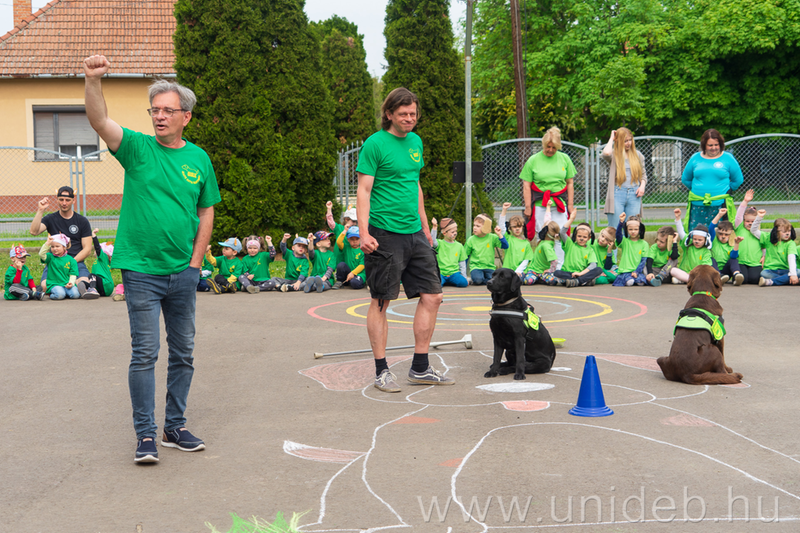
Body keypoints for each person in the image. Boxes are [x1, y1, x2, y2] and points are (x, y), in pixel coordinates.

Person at [84, 54, 220, 463]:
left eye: (167, 111)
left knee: (184, 353)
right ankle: (145, 435)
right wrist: (92, 80)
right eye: (154, 110)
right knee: (145, 353)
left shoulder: (199, 159)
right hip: (141, 270)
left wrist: (195, 263)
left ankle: (174, 427)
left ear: (186, 117)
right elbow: (98, 121)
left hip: (183, 271)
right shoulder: (136, 148)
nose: (159, 117)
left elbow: (206, 211)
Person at [356, 87, 451, 393]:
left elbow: (414, 184)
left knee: (433, 296)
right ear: (389, 114)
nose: (410, 119)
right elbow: (364, 191)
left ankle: (420, 367)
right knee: (381, 301)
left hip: (415, 233)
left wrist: (425, 226)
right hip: (384, 232)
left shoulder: (416, 142)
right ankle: (381, 371)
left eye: (413, 114)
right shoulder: (375, 144)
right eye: (403, 114)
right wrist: (364, 233)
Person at [520, 126, 576, 264]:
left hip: (559, 204)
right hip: (541, 204)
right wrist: (528, 207)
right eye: (548, 147)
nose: (550, 150)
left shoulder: (565, 159)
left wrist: (570, 205)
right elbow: (526, 185)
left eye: (554, 148)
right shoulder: (533, 160)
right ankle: (542, 266)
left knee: (560, 234)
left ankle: (561, 265)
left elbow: (570, 183)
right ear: (543, 145)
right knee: (543, 235)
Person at [29, 186, 95, 297]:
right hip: (54, 262)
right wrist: (41, 210)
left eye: (67, 200)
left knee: (84, 282)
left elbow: (87, 249)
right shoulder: (50, 218)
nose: (64, 203)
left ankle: (69, 287)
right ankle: (65, 288)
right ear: (57, 200)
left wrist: (70, 263)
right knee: (44, 286)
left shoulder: (82, 221)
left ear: (73, 201)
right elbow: (33, 231)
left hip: (75, 261)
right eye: (61, 199)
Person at [681, 129, 744, 230]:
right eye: (710, 145)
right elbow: (685, 179)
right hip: (697, 205)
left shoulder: (728, 158)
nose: (713, 148)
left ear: (720, 144)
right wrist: (697, 190)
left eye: (716, 145)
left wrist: (727, 190)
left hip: (720, 206)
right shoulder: (695, 158)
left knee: (720, 234)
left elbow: (738, 180)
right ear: (704, 145)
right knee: (697, 234)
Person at [601, 127, 647, 227]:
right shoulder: (614, 155)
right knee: (615, 227)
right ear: (618, 141)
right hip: (617, 193)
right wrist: (612, 138)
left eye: (630, 140)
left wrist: (642, 187)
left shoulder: (638, 155)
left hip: (634, 194)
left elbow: (643, 175)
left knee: (632, 227)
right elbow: (606, 153)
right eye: (625, 141)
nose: (628, 143)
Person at [553, 209, 603, 287]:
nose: (582, 239)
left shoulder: (590, 250)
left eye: (584, 237)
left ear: (589, 238)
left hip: (582, 273)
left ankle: (577, 281)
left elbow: (593, 265)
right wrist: (571, 219)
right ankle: (583, 281)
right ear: (575, 235)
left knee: (598, 270)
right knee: (557, 273)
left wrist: (580, 274)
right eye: (579, 236)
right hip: (569, 273)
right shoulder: (570, 244)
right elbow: (562, 232)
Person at [751, 211, 798, 287]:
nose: (787, 233)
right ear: (776, 231)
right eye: (784, 231)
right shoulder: (768, 238)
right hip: (770, 270)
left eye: (789, 231)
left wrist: (793, 274)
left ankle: (771, 282)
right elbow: (753, 230)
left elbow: (791, 258)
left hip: (786, 270)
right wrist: (759, 217)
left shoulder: (790, 243)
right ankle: (790, 280)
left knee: (797, 272)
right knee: (764, 274)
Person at [670, 211, 715, 284]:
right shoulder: (688, 244)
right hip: (685, 272)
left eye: (700, 240)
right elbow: (681, 232)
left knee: (706, 274)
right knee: (673, 270)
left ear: (705, 240)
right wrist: (678, 218)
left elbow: (705, 267)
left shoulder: (706, 251)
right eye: (695, 239)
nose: (696, 241)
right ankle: (690, 280)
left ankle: (684, 280)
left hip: (698, 274)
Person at [464, 214, 508, 285]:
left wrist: (500, 235)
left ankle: (484, 279)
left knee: (493, 281)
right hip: (476, 267)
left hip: (489, 267)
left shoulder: (492, 237)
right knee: (478, 280)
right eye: (474, 225)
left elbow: (505, 246)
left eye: (478, 226)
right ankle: (479, 279)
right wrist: (463, 273)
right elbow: (465, 256)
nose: (474, 228)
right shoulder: (471, 240)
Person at [733, 189, 764, 284]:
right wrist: (745, 201)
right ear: (743, 221)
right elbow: (738, 216)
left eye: (753, 222)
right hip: (741, 261)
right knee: (743, 279)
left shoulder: (758, 232)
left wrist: (764, 256)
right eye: (747, 221)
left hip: (755, 262)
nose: (750, 223)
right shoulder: (739, 228)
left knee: (754, 279)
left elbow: (764, 245)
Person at [498, 203, 534, 281]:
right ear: (510, 228)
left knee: (516, 280)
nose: (517, 229)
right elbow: (502, 227)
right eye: (514, 227)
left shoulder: (526, 243)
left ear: (523, 227)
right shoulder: (508, 238)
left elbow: (526, 260)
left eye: (519, 226)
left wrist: (518, 271)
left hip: (520, 272)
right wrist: (504, 210)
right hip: (507, 270)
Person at [709, 208, 745, 286]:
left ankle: (736, 275)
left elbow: (733, 256)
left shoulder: (732, 242)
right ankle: (718, 276)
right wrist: (719, 215)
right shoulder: (714, 240)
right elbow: (711, 227)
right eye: (721, 234)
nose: (723, 236)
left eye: (726, 235)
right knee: (711, 259)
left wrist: (737, 243)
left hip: (726, 272)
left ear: (730, 235)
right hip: (714, 271)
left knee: (733, 260)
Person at [38, 234, 80, 299]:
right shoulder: (50, 257)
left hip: (66, 284)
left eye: (57, 246)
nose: (55, 248)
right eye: (52, 246)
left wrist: (71, 283)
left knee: (75, 295)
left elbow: (73, 274)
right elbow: (41, 254)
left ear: (64, 247)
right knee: (60, 295)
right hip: (54, 284)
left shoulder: (71, 260)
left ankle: (65, 293)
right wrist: (47, 243)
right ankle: (53, 294)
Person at [612, 213, 649, 287]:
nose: (633, 231)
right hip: (625, 272)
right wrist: (621, 223)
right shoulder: (624, 241)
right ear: (626, 229)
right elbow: (618, 235)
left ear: (640, 229)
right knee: (630, 282)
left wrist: (636, 272)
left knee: (641, 283)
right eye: (630, 229)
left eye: (636, 229)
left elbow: (643, 261)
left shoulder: (644, 244)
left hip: (636, 272)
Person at [431, 217, 468, 288]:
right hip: (441, 273)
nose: (455, 233)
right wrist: (434, 227)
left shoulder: (459, 246)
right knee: (436, 285)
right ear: (444, 233)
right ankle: (445, 281)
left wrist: (464, 277)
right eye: (452, 232)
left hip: (454, 273)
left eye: (456, 231)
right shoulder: (439, 243)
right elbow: (432, 241)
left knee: (463, 283)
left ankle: (449, 281)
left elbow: (462, 263)